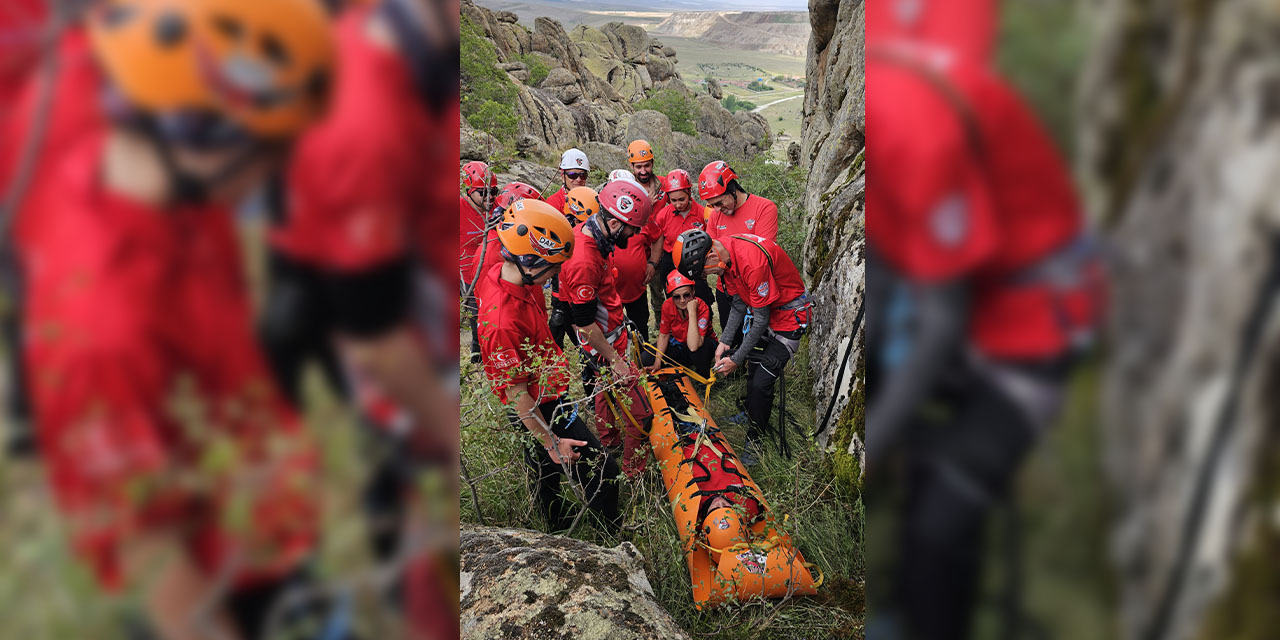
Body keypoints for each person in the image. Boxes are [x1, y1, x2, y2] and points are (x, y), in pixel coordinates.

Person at [18, 1, 336, 638]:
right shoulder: (101, 327)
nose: (279, 172)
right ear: (207, 134)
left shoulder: (179, 199)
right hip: (218, 586)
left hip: (259, 530)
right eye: (275, 150)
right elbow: (151, 553)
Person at [863, 2, 1103, 638]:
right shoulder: (903, 95)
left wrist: (873, 442)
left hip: (1034, 329)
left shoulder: (923, 127)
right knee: (918, 465)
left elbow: (942, 322)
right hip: (974, 305)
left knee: (939, 522)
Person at [475, 198, 621, 534]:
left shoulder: (511, 276)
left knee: (547, 474)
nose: (557, 274)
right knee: (602, 469)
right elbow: (516, 395)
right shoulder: (501, 321)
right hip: (537, 404)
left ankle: (558, 527)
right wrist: (551, 441)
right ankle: (604, 536)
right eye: (553, 267)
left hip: (547, 391)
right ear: (529, 258)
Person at [674, 229, 811, 466]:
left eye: (705, 272)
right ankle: (750, 411)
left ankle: (755, 438)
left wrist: (735, 357)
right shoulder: (725, 256)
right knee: (753, 368)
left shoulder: (750, 262)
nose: (709, 276)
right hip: (766, 314)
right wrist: (726, 341)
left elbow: (761, 318)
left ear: (710, 256)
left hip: (788, 319)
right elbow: (738, 303)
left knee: (762, 381)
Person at [559, 179, 656, 476]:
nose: (636, 234)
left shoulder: (593, 236)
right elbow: (586, 323)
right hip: (603, 344)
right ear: (614, 223)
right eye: (633, 228)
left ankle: (609, 442)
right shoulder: (584, 259)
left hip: (608, 338)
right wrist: (616, 361)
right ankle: (633, 472)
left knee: (603, 393)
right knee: (642, 414)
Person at [699, 161, 779, 335]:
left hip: (756, 291)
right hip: (727, 291)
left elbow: (763, 256)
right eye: (712, 206)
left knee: (756, 342)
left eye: (719, 203)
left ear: (732, 190)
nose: (717, 210)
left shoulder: (764, 208)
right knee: (731, 339)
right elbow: (710, 253)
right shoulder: (715, 217)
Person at [652, 168, 713, 312]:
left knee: (700, 298)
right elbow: (657, 240)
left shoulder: (701, 213)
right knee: (674, 301)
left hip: (694, 262)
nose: (678, 204)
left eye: (681, 199)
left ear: (689, 193)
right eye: (673, 200)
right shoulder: (663, 215)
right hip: (670, 261)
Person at [549, 186, 599, 348]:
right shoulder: (562, 230)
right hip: (563, 281)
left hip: (584, 284)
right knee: (561, 316)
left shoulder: (593, 236)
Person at [645, 270, 716, 378]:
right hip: (680, 345)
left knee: (698, 353)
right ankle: (677, 371)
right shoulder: (667, 306)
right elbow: (664, 335)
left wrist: (692, 313)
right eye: (676, 297)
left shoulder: (702, 307)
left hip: (701, 344)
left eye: (686, 295)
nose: (682, 300)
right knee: (646, 358)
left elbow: (693, 346)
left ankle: (703, 375)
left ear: (693, 291)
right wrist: (657, 361)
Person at [461, 160, 497, 363]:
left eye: (493, 191)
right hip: (466, 273)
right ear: (469, 191)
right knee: (476, 313)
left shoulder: (496, 207)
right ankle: (476, 357)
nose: (490, 197)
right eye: (483, 192)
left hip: (490, 272)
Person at [544, 147, 591, 213]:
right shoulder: (552, 204)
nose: (578, 179)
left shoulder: (592, 201)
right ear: (563, 177)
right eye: (573, 175)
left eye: (583, 175)